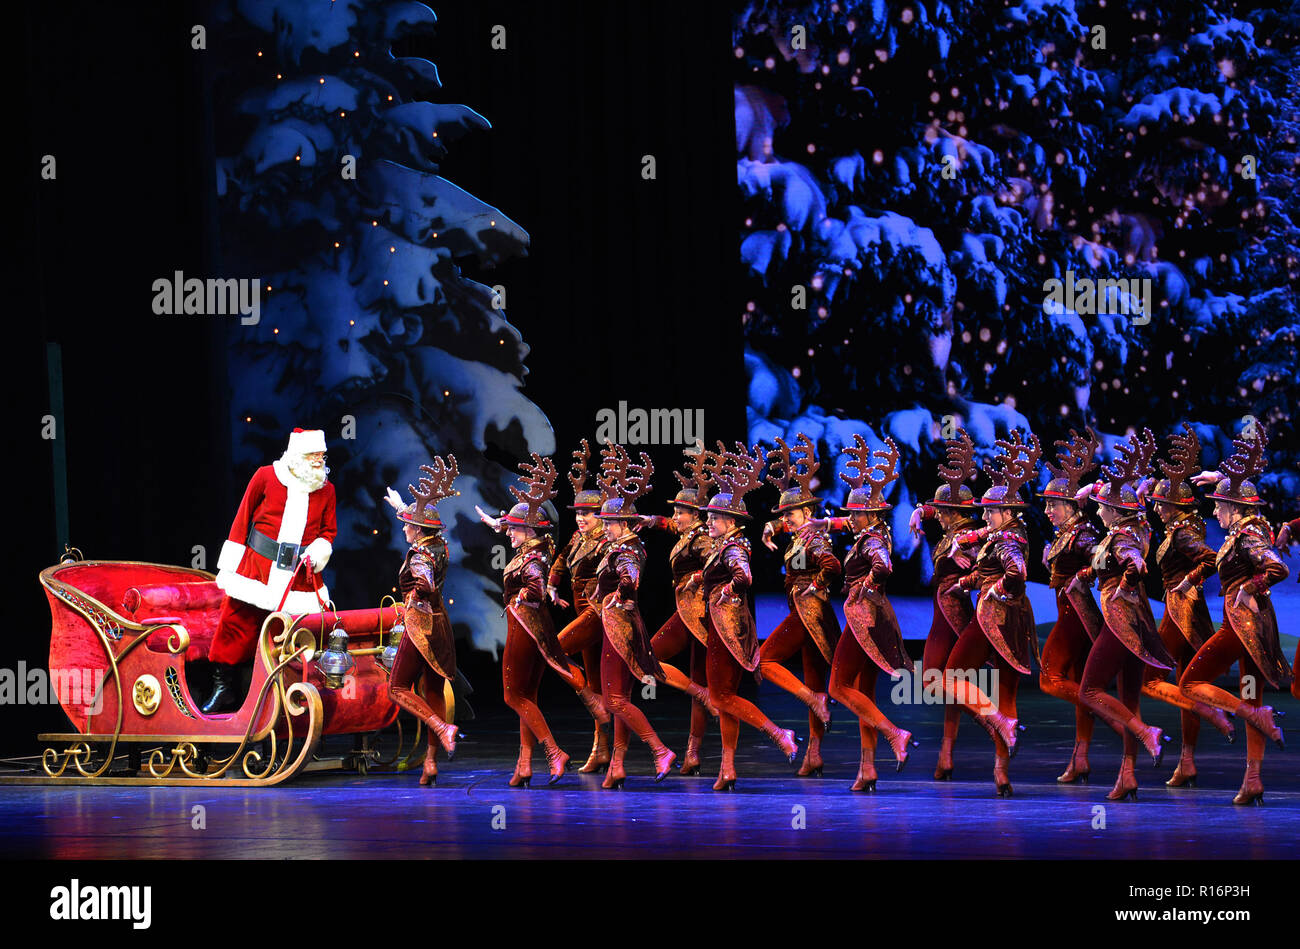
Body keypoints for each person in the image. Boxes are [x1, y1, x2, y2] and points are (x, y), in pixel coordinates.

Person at [1181, 428, 1290, 804]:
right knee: (1251, 694)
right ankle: (1253, 779)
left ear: (1234, 508)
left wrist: (1249, 587)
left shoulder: (1247, 536)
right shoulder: (1247, 530)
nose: (1215, 511)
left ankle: (1251, 715)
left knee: (1191, 683)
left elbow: (1277, 569)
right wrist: (1222, 478)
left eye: (1219, 504)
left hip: (1241, 627)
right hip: (1250, 630)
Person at [478, 454, 600, 787]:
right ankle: (525, 763)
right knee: (527, 697)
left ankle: (553, 752)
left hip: (524, 627)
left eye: (514, 529)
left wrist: (522, 597)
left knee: (512, 696)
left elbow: (533, 584)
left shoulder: (531, 557)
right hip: (534, 627)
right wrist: (497, 523)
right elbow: (530, 561)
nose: (509, 534)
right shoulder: (537, 547)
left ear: (529, 530)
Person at [1067, 429, 1175, 802]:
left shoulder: (1124, 537)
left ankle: (1146, 733)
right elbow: (1116, 558)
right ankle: (1127, 774)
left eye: (1102, 506)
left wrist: (1129, 579)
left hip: (1120, 620)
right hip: (1135, 620)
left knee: (1090, 690)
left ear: (1114, 511)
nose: (1098, 510)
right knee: (1128, 699)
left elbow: (1134, 562)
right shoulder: (1131, 529)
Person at [687, 442, 799, 790]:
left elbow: (744, 577)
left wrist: (725, 591)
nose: (708, 523)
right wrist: (701, 578)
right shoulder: (726, 546)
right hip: (727, 628)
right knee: (725, 696)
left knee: (720, 697)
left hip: (726, 629)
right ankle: (728, 766)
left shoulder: (734, 546)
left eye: (713, 518)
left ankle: (779, 733)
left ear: (729, 521)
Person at [204, 427, 336, 714]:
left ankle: (282, 696)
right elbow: (242, 519)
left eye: (322, 456)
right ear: (298, 455)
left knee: (291, 637)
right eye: (313, 455)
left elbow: (328, 532)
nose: (319, 461)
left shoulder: (326, 490)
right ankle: (225, 688)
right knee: (236, 625)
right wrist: (230, 566)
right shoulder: (266, 476)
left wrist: (318, 551)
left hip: (299, 576)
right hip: (257, 570)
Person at [943, 431, 1040, 796]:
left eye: (990, 511)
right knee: (1005, 694)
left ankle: (998, 722)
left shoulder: (1009, 538)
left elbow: (1015, 574)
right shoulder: (1007, 534)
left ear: (1005, 513)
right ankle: (1001, 772)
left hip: (992, 619)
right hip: (1012, 621)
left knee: (951, 677)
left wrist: (994, 593)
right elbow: (991, 570)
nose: (985, 517)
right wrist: (965, 584)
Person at [1141, 424, 1235, 788]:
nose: (1157, 508)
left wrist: (1187, 581)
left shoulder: (1181, 532)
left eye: (1161, 504)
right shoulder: (1176, 528)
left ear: (1172, 506)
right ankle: (1188, 762)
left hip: (1181, 609)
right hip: (1183, 609)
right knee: (1185, 681)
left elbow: (1210, 559)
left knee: (1151, 681)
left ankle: (1212, 713)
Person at [821, 435, 916, 790]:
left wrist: (866, 584)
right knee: (863, 694)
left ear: (868, 514)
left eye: (855, 514)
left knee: (839, 686)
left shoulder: (874, 540)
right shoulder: (873, 531)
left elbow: (884, 565)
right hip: (871, 617)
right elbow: (856, 533)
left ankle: (895, 734)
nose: (851, 519)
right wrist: (825, 525)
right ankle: (867, 768)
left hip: (864, 617)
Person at [590, 443, 676, 788]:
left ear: (623, 522)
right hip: (618, 624)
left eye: (609, 522)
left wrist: (617, 595)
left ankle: (659, 750)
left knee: (613, 699)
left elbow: (631, 580)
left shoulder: (628, 548)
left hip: (620, 627)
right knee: (620, 699)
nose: (606, 527)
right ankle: (618, 765)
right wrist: (601, 591)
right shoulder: (618, 546)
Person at [758, 434, 839, 777]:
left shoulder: (814, 536)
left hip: (809, 613)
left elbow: (832, 566)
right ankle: (814, 754)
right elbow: (794, 530)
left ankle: (812, 700)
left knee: (764, 660)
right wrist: (771, 526)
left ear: (807, 512)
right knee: (816, 678)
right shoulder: (801, 534)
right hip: (808, 615)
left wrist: (815, 586)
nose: (786, 519)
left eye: (791, 513)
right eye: (783, 514)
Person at [381, 456, 464, 786]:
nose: (403, 528)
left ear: (419, 530)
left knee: (397, 687)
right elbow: (422, 536)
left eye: (407, 524)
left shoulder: (419, 555)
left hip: (421, 627)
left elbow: (425, 581)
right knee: (432, 691)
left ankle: (444, 728)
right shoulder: (438, 545)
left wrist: (416, 595)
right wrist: (403, 506)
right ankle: (430, 763)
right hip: (440, 627)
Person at [638, 446, 719, 775]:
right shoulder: (688, 532)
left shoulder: (702, 539)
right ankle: (693, 753)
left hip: (697, 613)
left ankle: (700, 697)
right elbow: (669, 526)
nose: (675, 518)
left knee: (649, 655)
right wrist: (651, 520)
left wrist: (696, 578)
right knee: (699, 682)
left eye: (680, 513)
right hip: (692, 613)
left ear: (695, 515)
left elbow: (717, 564)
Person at [907, 428, 982, 779]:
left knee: (934, 680)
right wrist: (918, 511)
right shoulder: (952, 529)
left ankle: (994, 719)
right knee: (949, 683)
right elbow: (929, 510)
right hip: (944, 614)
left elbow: (990, 556)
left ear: (951, 511)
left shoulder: (967, 535)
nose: (936, 512)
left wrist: (971, 574)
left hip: (955, 615)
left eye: (940, 508)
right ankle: (946, 754)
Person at [1036, 428, 1103, 784]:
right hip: (1068, 610)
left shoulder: (1084, 532)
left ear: (1070, 505)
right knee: (1074, 681)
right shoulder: (1065, 533)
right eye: (1046, 504)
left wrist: (1085, 573)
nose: (1047, 510)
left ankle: (1113, 713)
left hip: (1076, 614)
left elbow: (1105, 558)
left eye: (1053, 505)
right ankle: (1080, 759)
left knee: (1049, 678)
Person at [550, 440, 616, 772]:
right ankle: (600, 749)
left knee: (555, 648)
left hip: (598, 613)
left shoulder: (609, 541)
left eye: (587, 514)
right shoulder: (579, 539)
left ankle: (635, 748)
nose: (580, 520)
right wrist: (551, 584)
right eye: (578, 514)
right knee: (594, 684)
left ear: (602, 516)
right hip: (581, 612)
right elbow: (562, 559)